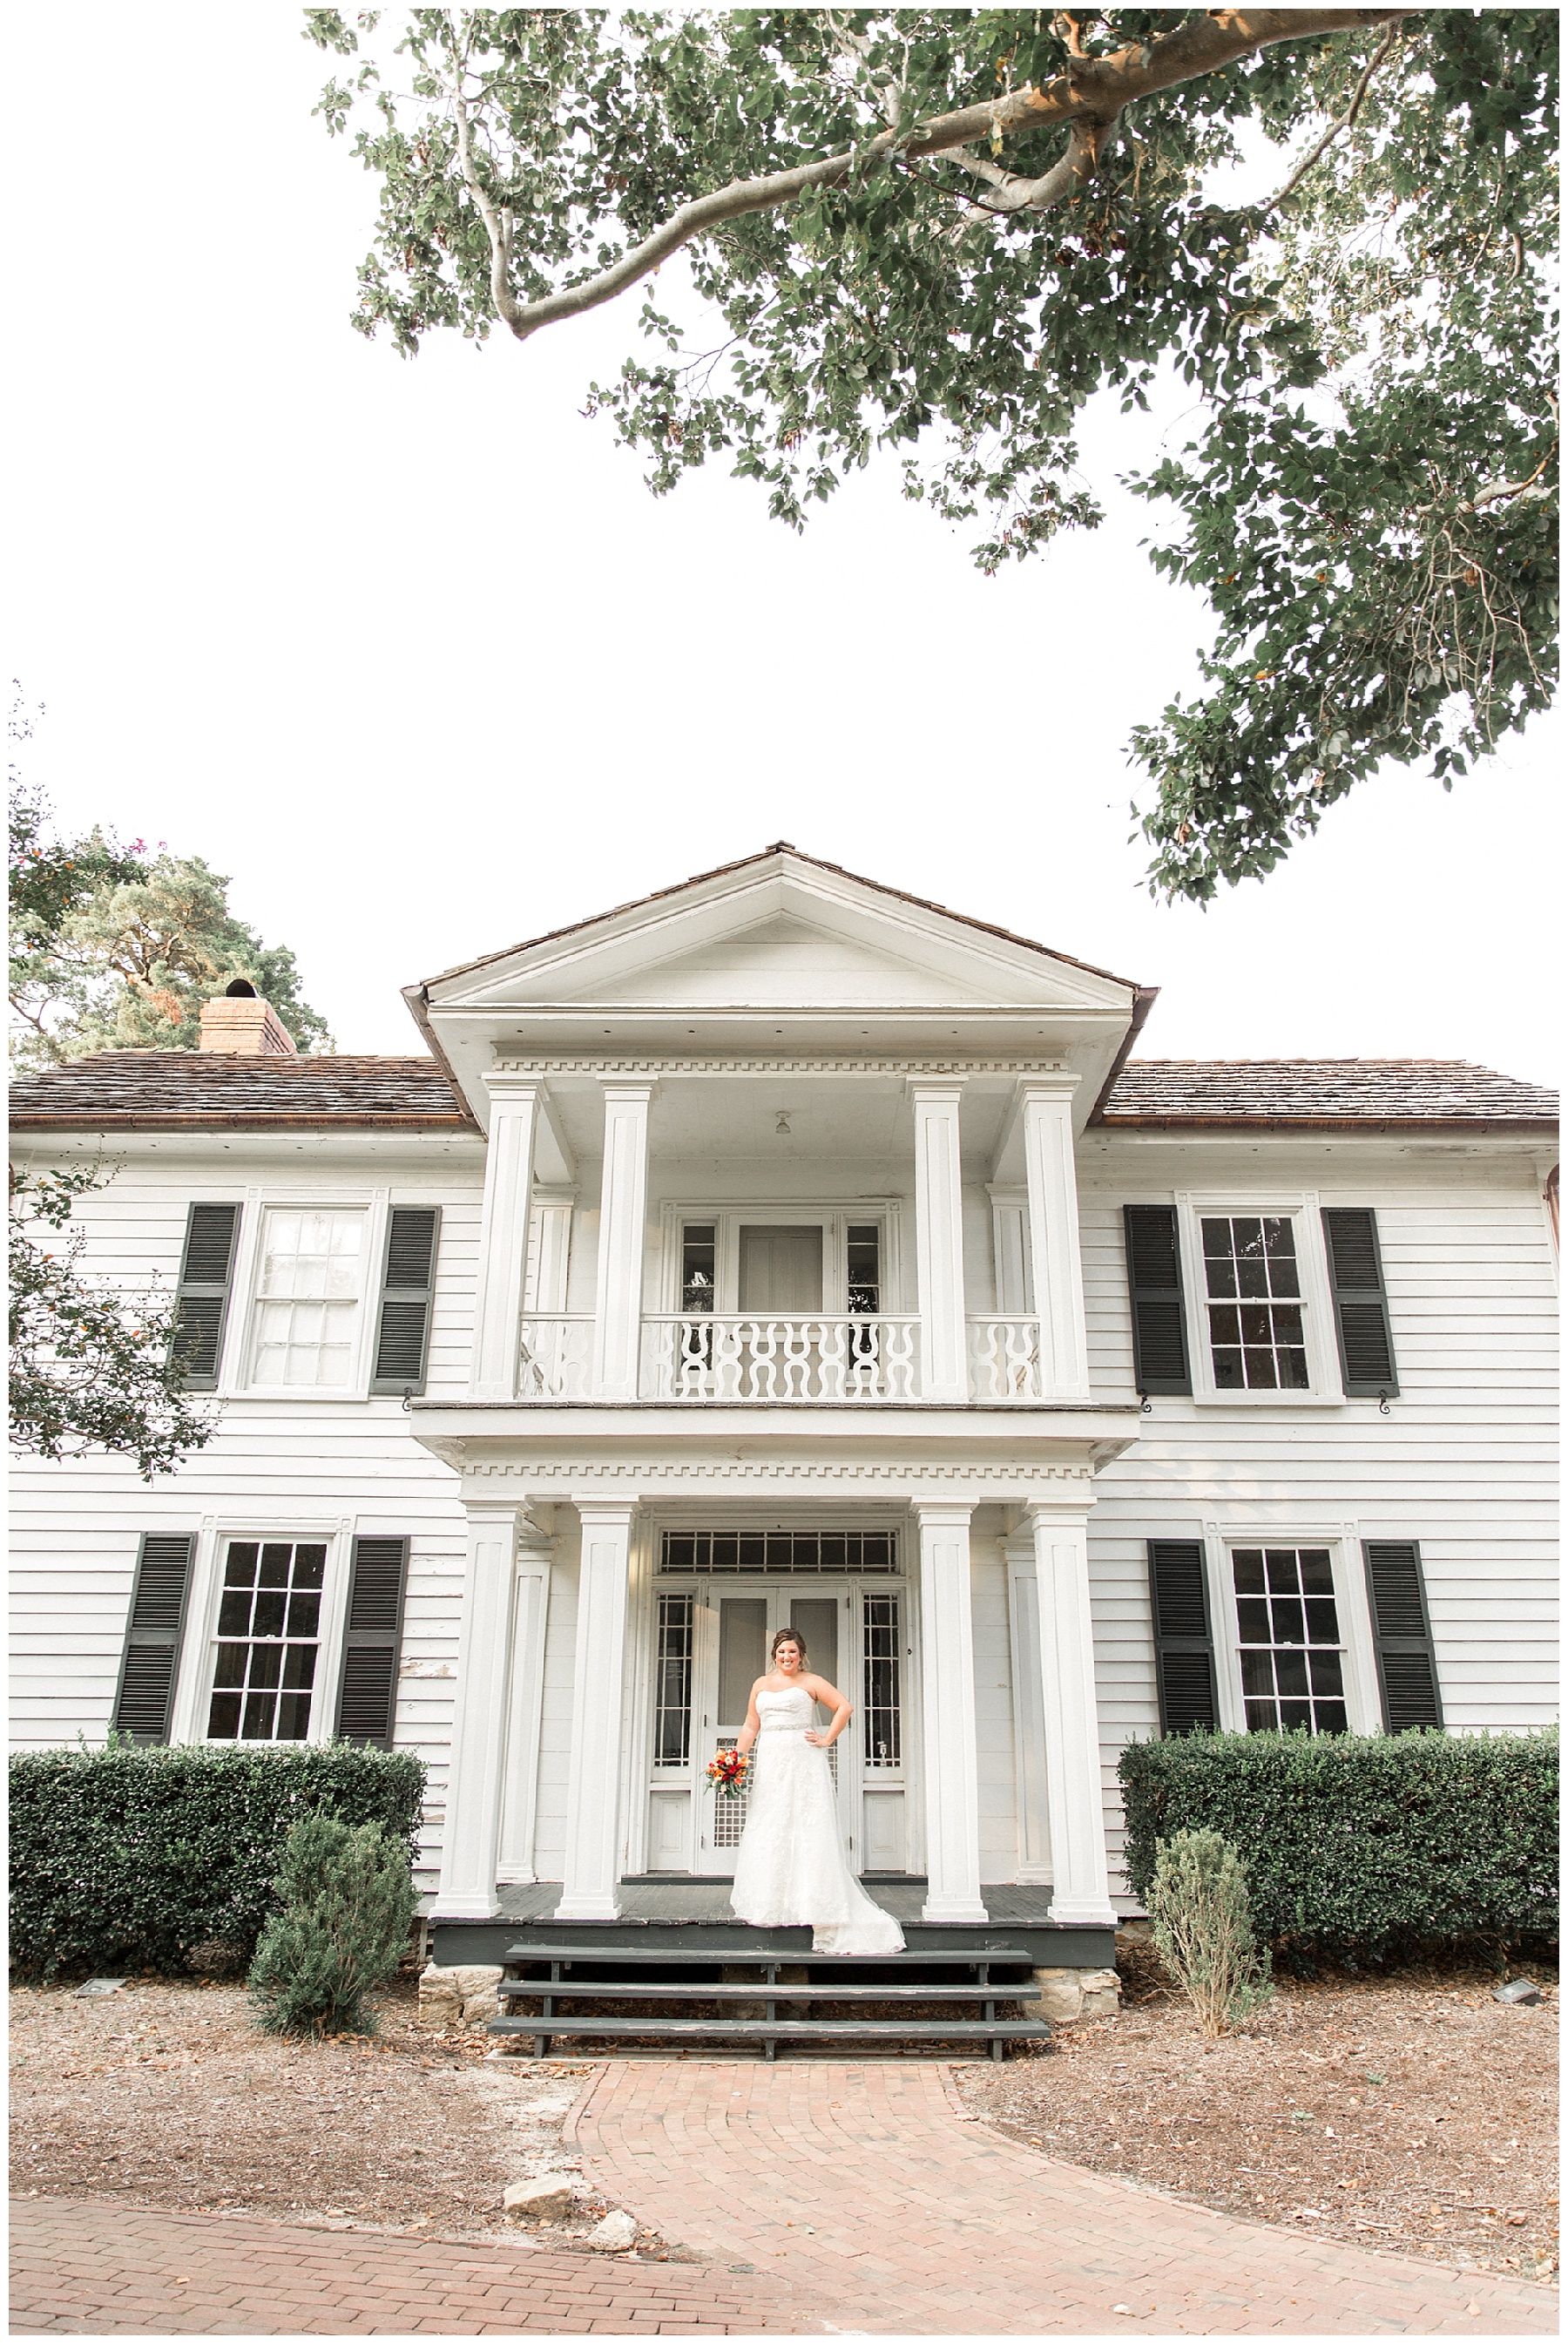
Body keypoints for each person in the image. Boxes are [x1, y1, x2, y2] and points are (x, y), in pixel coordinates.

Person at [728, 1628, 904, 1955]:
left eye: (792, 1652)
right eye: (782, 1652)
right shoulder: (760, 1684)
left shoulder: (811, 1681)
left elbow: (844, 1707)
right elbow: (751, 1724)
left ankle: (812, 1901)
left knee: (806, 1825)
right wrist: (736, 1760)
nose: (787, 1657)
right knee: (771, 1823)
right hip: (771, 1761)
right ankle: (772, 1901)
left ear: (801, 1655)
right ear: (774, 1655)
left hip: (802, 1759)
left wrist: (826, 1739)